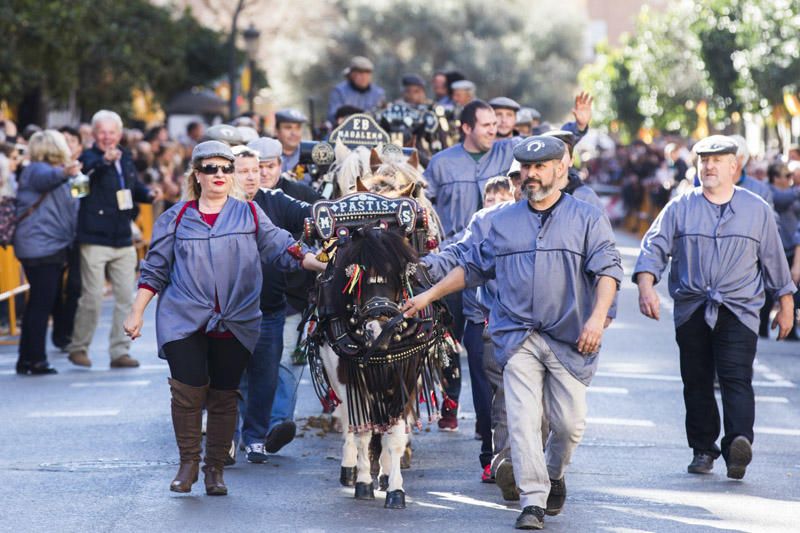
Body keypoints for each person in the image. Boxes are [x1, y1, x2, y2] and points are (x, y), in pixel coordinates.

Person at [405, 135, 621, 530]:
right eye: (526, 168)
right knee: (521, 421)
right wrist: (428, 295)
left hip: (570, 339)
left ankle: (553, 473)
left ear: (561, 169)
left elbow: (608, 270)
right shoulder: (501, 221)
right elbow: (470, 268)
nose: (531, 175)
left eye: (540, 168)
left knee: (569, 425)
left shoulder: (587, 217)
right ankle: (533, 501)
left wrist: (597, 318)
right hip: (517, 337)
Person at [123, 140, 324, 496]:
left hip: (237, 318)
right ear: (197, 175)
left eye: (225, 168)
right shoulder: (177, 217)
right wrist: (137, 312)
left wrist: (317, 261)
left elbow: (282, 247)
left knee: (223, 394)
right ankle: (188, 465)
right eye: (210, 168)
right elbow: (154, 270)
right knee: (187, 391)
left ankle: (215, 469)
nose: (219, 174)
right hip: (184, 317)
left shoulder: (248, 213)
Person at [634, 135, 796, 481]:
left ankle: (738, 443)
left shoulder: (757, 210)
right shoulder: (680, 206)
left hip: (739, 309)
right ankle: (703, 448)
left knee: (737, 376)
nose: (708, 166)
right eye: (703, 160)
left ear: (734, 167)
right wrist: (646, 285)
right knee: (696, 380)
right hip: (692, 307)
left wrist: (785, 303)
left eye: (717, 160)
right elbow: (654, 247)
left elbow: (774, 261)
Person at [422, 176, 516, 481]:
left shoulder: (554, 217)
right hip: (485, 320)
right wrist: (423, 267)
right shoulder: (484, 221)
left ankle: (539, 464)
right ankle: (496, 460)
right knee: (489, 396)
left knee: (542, 409)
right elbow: (461, 256)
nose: (498, 205)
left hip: (537, 326)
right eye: (491, 199)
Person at [231, 144, 313, 462]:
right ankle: (231, 436)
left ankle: (261, 436)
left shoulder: (276, 200)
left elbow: (314, 213)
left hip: (274, 306)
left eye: (259, 169)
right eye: (246, 170)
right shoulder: (218, 207)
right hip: (229, 311)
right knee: (234, 377)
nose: (254, 176)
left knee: (269, 373)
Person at [66, 110, 161, 369]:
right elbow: (79, 187)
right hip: (94, 237)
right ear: (95, 134)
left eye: (112, 132)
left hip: (122, 237)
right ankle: (78, 347)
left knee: (126, 298)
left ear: (119, 134)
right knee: (93, 296)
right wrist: (102, 163)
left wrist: (148, 193)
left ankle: (120, 351)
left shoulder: (125, 156)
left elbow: (129, 187)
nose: (108, 137)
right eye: (102, 132)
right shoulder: (87, 158)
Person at [12, 130, 81, 375]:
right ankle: (37, 359)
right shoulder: (36, 171)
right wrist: (66, 172)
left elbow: (77, 200)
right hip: (40, 245)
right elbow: (47, 178)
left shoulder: (62, 174)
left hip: (51, 244)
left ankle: (26, 359)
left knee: (38, 304)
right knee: (42, 304)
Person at [761, 163, 800, 339]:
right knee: (771, 289)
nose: (788, 179)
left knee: (792, 289)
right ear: (776, 177)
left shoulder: (791, 193)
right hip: (776, 246)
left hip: (792, 246)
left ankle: (790, 329)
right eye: (786, 176)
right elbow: (782, 200)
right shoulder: (769, 190)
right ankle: (761, 327)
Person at [247, 137, 320, 204]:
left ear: (280, 166)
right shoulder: (240, 196)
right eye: (259, 167)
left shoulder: (302, 194)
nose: (264, 173)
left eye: (270, 166)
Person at [326, 56, 386, 124]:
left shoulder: (378, 93)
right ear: (351, 74)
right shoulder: (339, 91)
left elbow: (380, 116)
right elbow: (332, 117)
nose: (364, 77)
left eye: (367, 73)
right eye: (360, 73)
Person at [274, 109, 308, 175]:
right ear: (276, 130)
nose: (294, 133)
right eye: (288, 128)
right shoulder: (268, 156)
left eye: (298, 128)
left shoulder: (309, 156)